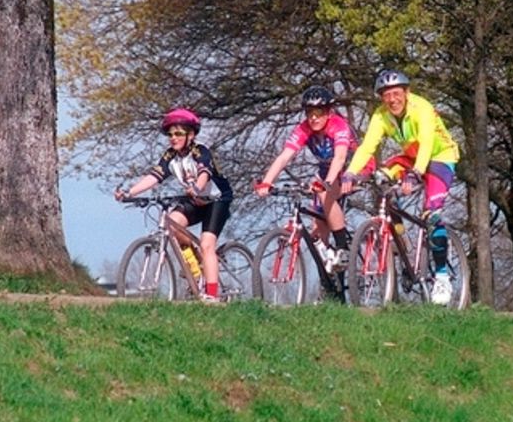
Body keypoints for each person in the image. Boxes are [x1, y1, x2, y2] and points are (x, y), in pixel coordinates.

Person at [340, 69, 460, 305]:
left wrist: (416, 174)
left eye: (396, 93)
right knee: (381, 180)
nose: (392, 99)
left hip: (440, 157)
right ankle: (401, 241)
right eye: (386, 95)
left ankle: (442, 276)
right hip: (410, 157)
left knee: (432, 215)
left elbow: (426, 144)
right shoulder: (381, 115)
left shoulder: (421, 108)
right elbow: (367, 147)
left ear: (407, 92)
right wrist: (350, 173)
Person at [115, 108, 233, 303]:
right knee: (172, 224)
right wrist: (130, 193)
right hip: (194, 199)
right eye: (170, 134)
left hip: (216, 199)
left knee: (207, 244)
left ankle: (212, 295)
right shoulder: (170, 156)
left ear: (191, 134)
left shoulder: (200, 151)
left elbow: (205, 173)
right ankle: (196, 269)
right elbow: (154, 177)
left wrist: (197, 187)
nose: (173, 138)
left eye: (178, 133)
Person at [254, 86, 359, 270]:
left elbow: (340, 157)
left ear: (328, 111)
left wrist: (326, 183)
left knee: (325, 195)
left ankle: (343, 248)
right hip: (328, 170)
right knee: (317, 227)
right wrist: (267, 182)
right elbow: (284, 156)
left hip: (352, 167)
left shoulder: (338, 125)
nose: (314, 118)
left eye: (318, 112)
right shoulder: (304, 128)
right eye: (309, 113)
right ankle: (329, 277)